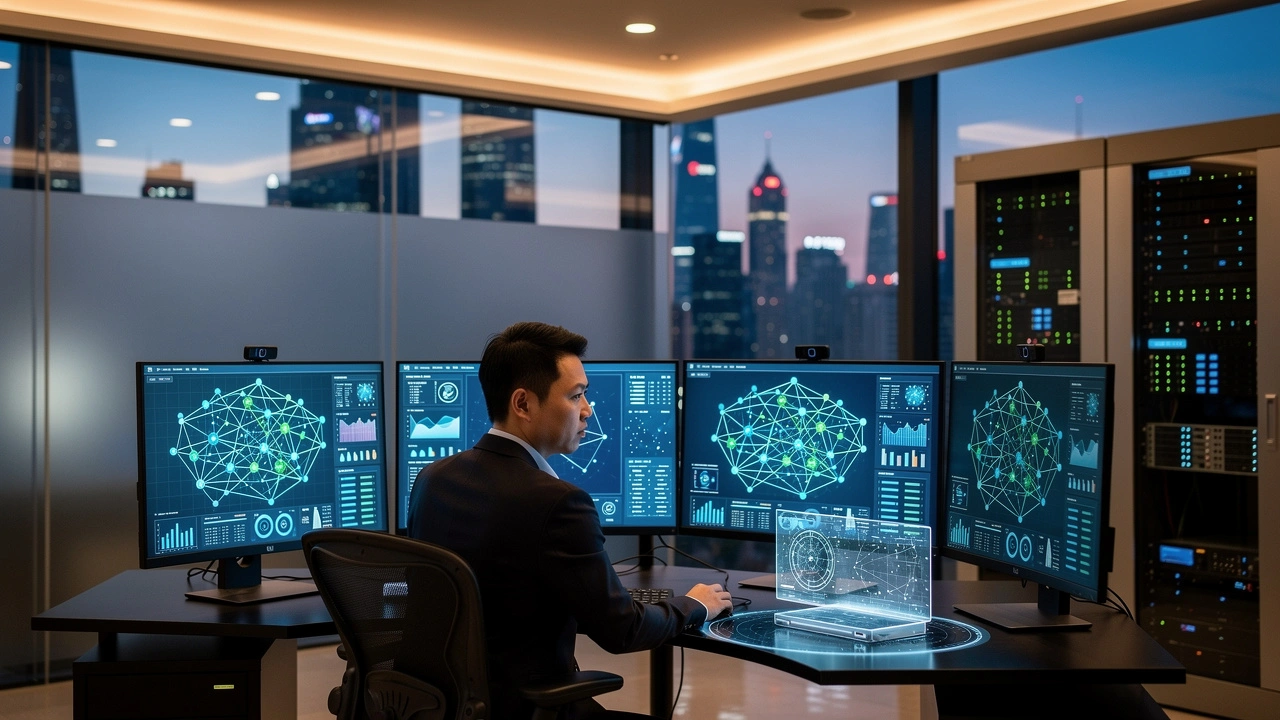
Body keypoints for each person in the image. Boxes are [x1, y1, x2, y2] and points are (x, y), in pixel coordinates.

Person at [407, 322, 731, 720]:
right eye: (575, 395)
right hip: (526, 708)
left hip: (445, 706)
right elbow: (622, 630)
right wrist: (694, 604)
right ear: (523, 404)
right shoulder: (557, 501)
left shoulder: (432, 479)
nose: (587, 410)